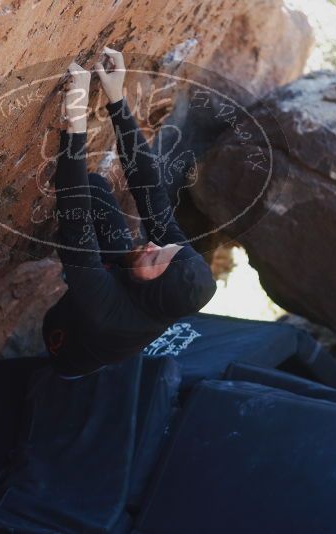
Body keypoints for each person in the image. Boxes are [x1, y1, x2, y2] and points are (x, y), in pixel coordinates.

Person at [42, 47, 217, 379]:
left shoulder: (108, 315)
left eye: (155, 259)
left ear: (154, 288)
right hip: (120, 285)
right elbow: (148, 185)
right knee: (93, 186)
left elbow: (76, 221)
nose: (153, 246)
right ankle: (86, 269)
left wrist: (75, 118)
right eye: (164, 247)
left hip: (69, 344)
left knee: (79, 235)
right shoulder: (173, 260)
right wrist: (116, 98)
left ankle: (79, 273)